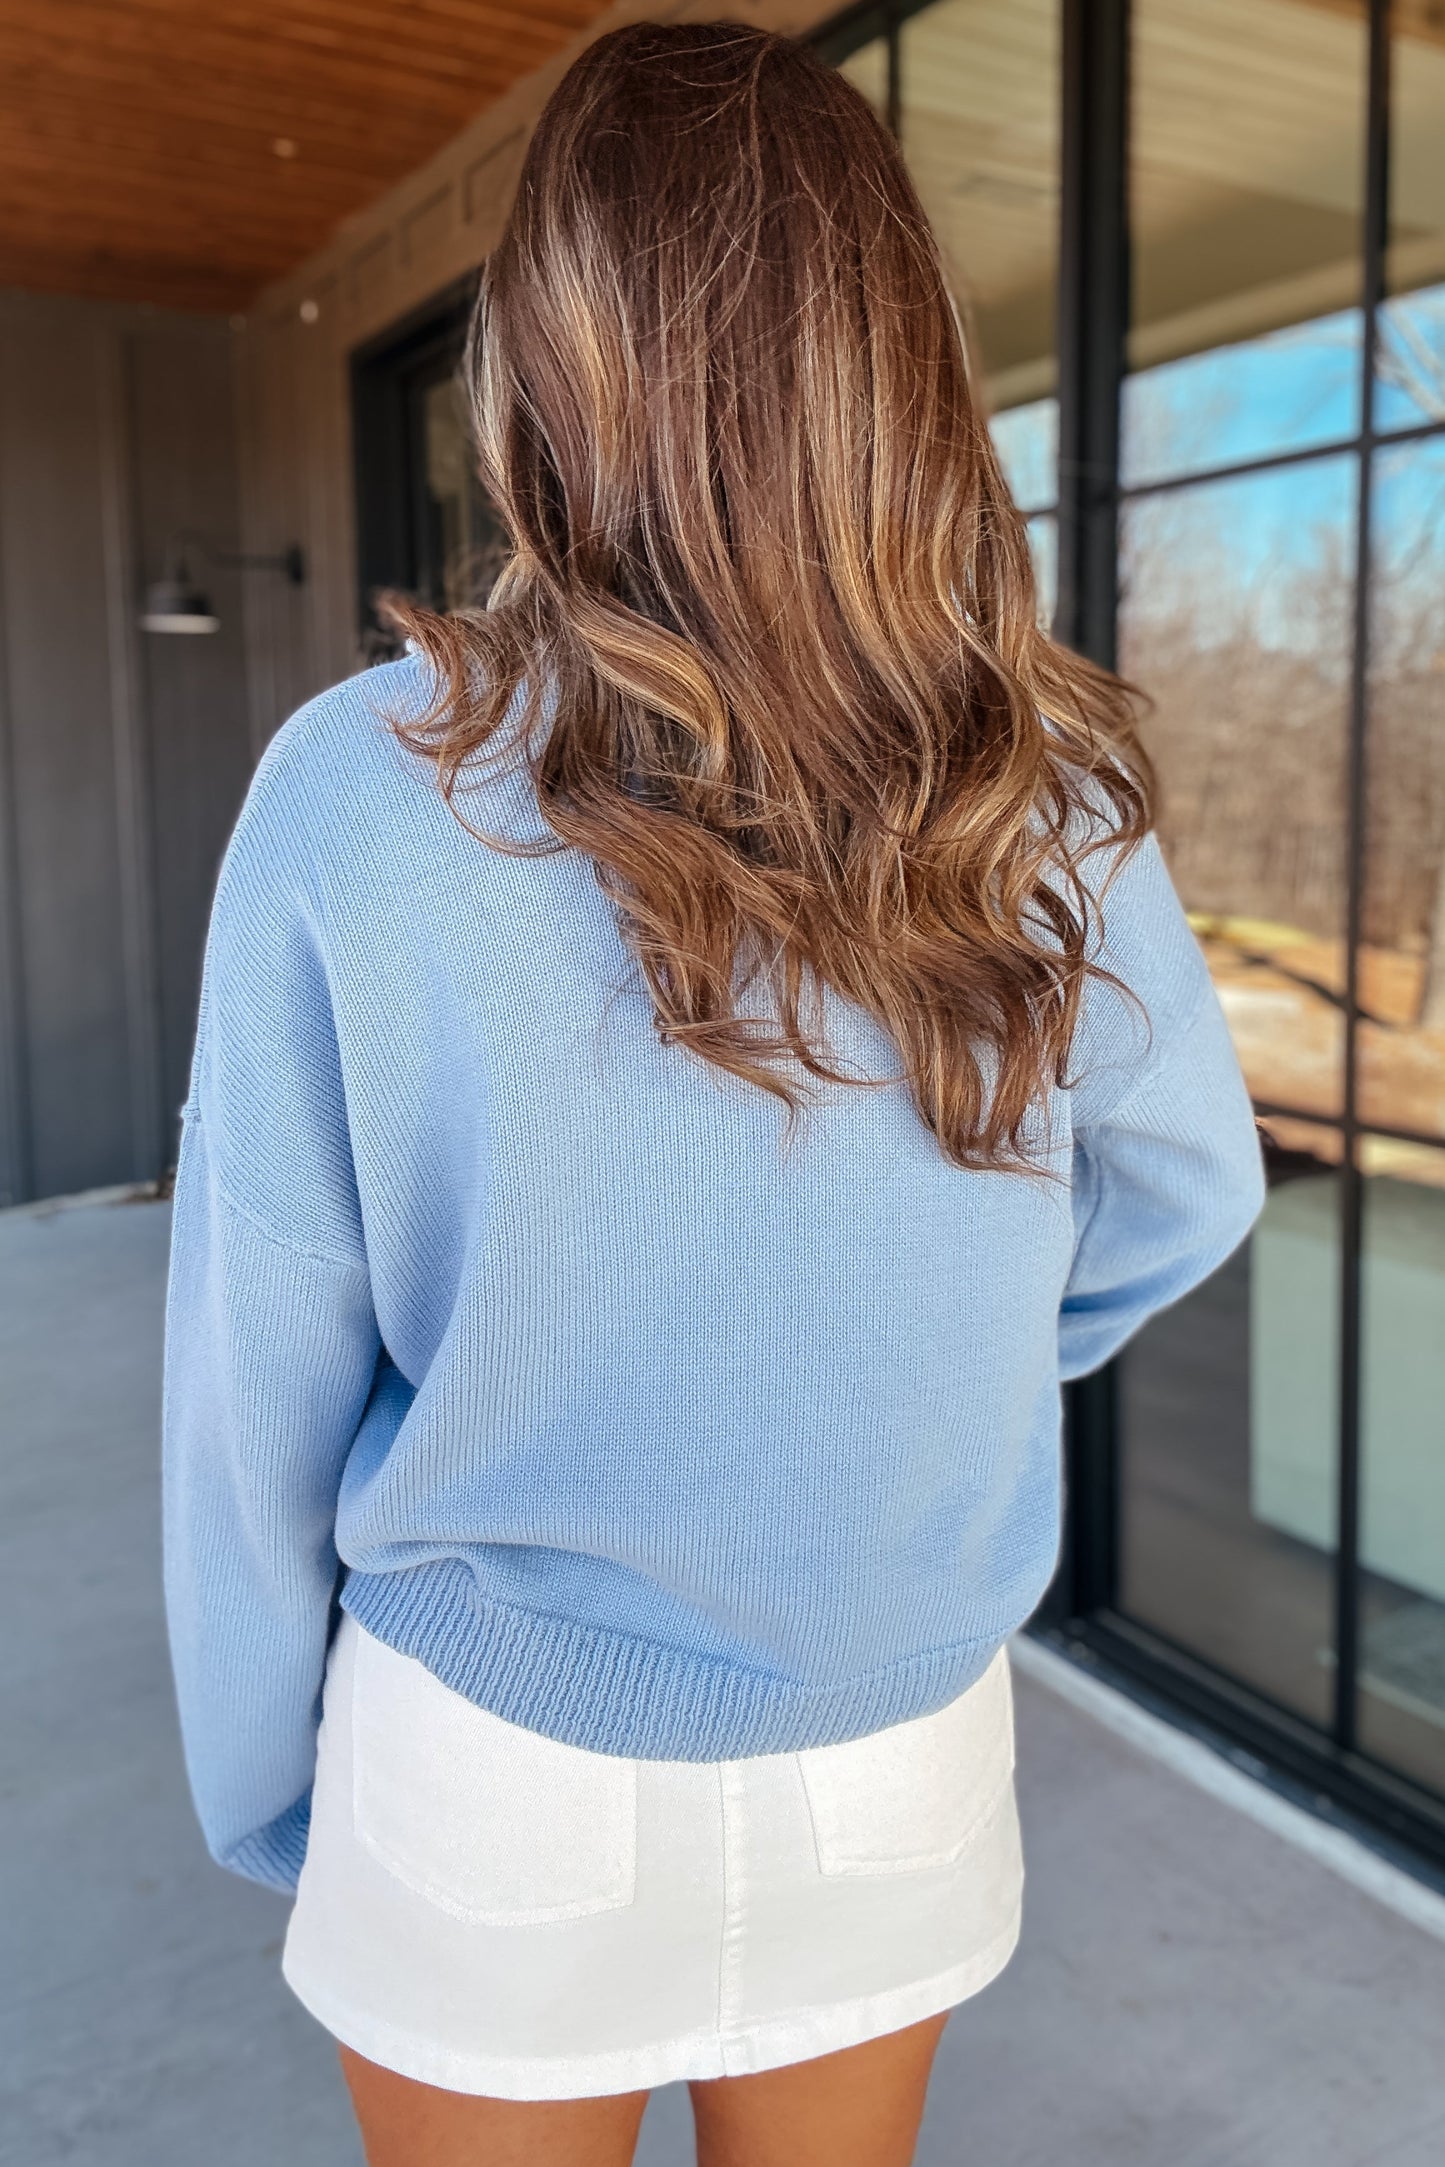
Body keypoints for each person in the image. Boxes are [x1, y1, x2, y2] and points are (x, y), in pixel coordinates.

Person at [160, 21, 1265, 2167]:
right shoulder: (1038, 790)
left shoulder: (358, 793)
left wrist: (266, 1772)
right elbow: (1180, 1189)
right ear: (896, 365)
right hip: (895, 1750)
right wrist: (909, 1387)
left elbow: (255, 1361)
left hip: (489, 1758)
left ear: (543, 371)